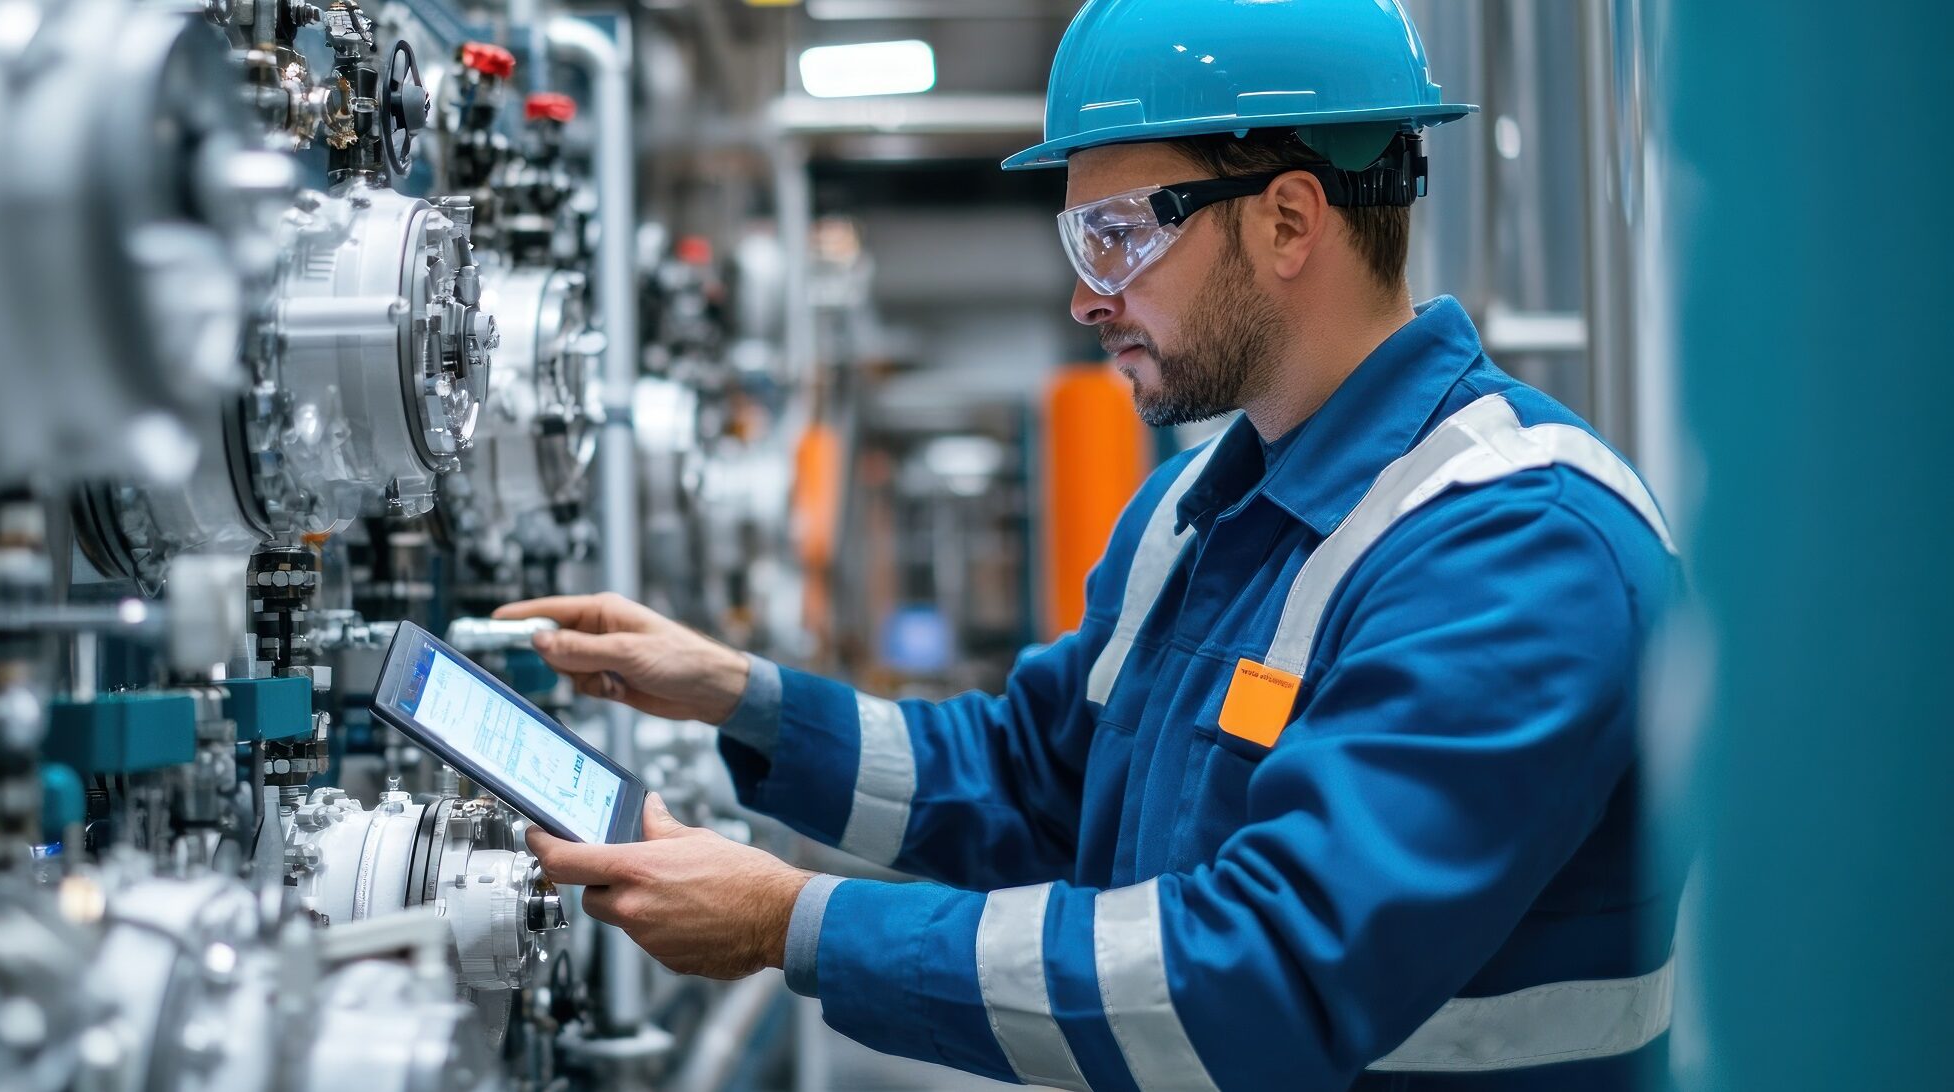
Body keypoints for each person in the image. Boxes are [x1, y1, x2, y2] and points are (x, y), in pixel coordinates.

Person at [503, 0, 1683, 1087]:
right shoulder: (1195, 514)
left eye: (1116, 235)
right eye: (1081, 244)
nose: (1087, 297)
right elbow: (1032, 777)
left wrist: (793, 921)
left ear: (1286, 221)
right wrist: (737, 696)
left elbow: (1264, 969)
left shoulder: (1517, 549)